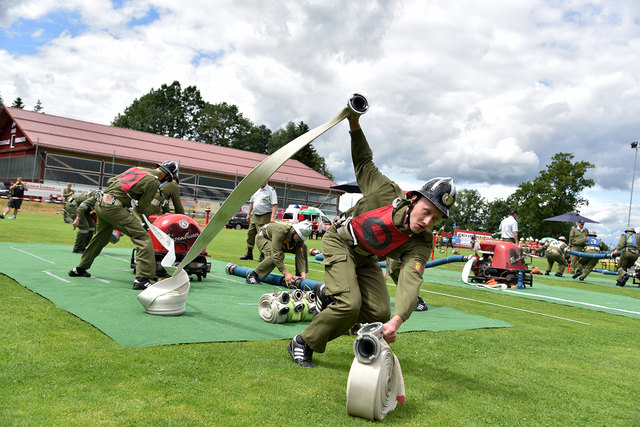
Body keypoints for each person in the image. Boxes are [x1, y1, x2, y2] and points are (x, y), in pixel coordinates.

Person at [287, 113, 456, 368]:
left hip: (366, 259)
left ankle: (327, 295)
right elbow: (364, 162)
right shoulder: (386, 191)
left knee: (379, 312)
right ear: (413, 199)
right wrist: (354, 123)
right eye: (427, 211)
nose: (428, 221)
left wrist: (396, 321)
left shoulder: (421, 241)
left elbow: (411, 280)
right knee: (349, 305)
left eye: (436, 218)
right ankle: (303, 342)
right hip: (341, 242)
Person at [68, 161, 179, 290]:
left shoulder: (138, 169)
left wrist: (129, 194)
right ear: (167, 177)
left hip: (101, 204)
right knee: (143, 238)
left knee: (100, 238)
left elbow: (110, 181)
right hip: (114, 208)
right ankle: (141, 279)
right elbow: (142, 207)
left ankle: (80, 268)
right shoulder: (154, 182)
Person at [246, 221, 312, 287]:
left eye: (302, 238)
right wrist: (286, 273)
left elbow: (300, 256)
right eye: (300, 237)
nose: (301, 239)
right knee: (278, 255)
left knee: (303, 247)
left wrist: (302, 273)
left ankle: (298, 278)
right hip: (263, 238)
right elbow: (276, 254)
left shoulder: (299, 238)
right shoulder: (281, 231)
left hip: (280, 242)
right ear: (294, 231)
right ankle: (253, 275)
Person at [240, 181, 278, 262]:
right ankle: (249, 253)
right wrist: (248, 214)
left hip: (265, 216)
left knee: (262, 235)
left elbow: (274, 204)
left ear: (267, 180)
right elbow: (251, 203)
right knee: (250, 233)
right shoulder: (256, 189)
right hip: (255, 215)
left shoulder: (271, 190)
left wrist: (272, 217)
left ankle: (262, 255)